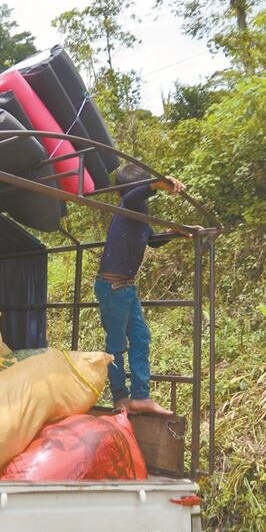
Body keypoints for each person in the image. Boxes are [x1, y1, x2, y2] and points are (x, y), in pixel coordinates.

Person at [94, 164, 186, 416]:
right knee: (116, 344)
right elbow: (133, 196)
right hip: (113, 288)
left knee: (141, 338)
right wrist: (157, 184)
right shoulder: (128, 206)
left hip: (126, 289)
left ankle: (141, 396)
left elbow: (152, 241)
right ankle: (120, 398)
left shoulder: (140, 214)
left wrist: (173, 233)